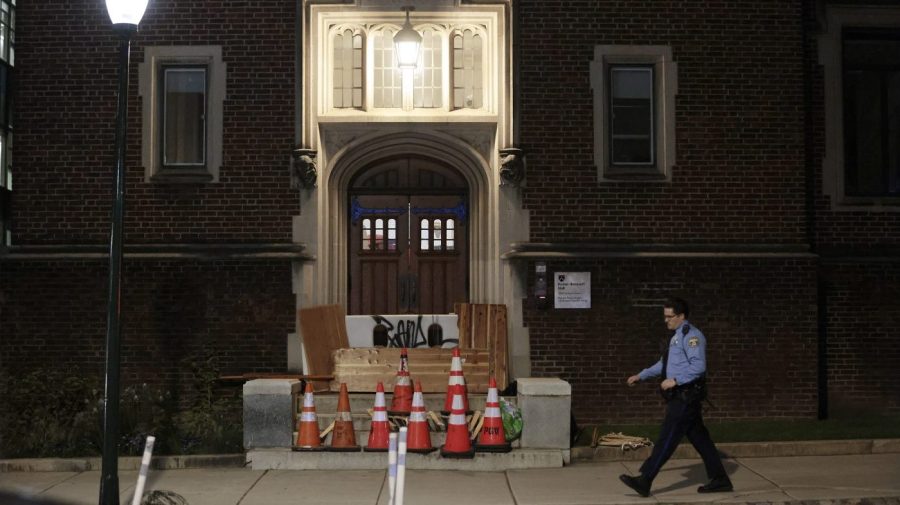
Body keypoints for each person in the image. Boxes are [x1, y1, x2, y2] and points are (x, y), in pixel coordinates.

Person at [619, 297, 733, 497]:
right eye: (665, 316)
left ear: (681, 316)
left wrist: (676, 380)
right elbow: (664, 364)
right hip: (683, 398)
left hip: (685, 397)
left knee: (667, 438)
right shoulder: (676, 337)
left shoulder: (692, 337)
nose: (666, 320)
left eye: (669, 316)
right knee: (701, 441)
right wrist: (641, 376)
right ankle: (720, 479)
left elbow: (698, 367)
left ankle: (645, 480)